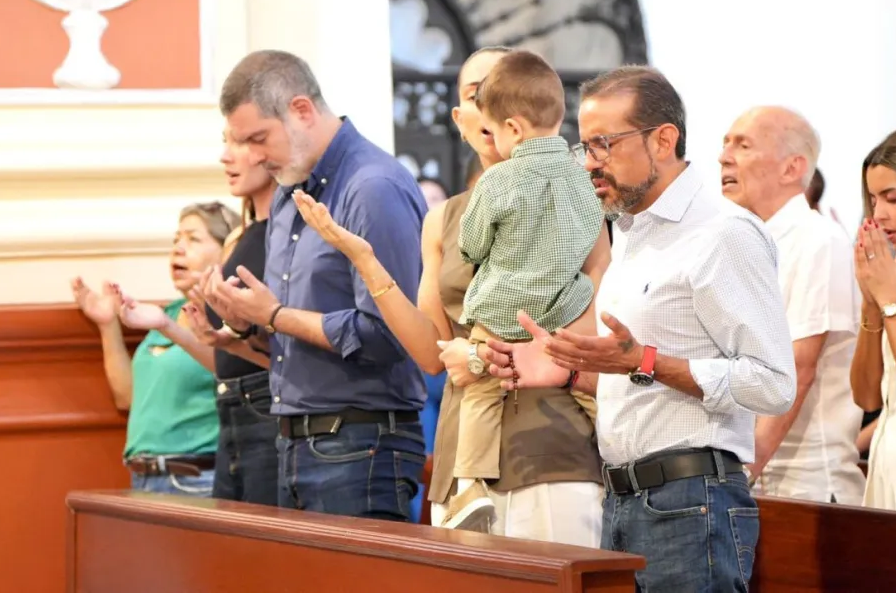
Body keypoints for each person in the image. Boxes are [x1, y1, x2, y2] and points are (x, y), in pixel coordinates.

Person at [484, 66, 796, 590]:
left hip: (692, 501)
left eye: (604, 144)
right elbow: (640, 381)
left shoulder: (723, 234)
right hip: (625, 498)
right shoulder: (631, 233)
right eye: (585, 147)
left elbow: (773, 384)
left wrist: (645, 361)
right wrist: (566, 372)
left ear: (663, 140)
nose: (590, 162)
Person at [292, 45, 610, 548]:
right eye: (478, 93)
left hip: (551, 448)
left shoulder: (573, 195)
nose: (495, 103)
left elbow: (592, 330)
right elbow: (430, 352)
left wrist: (481, 357)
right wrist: (365, 260)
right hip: (462, 464)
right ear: (462, 119)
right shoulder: (441, 218)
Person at [200, 50, 428, 522]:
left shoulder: (372, 187)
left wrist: (276, 316)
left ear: (301, 110)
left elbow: (390, 336)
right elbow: (292, 341)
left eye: (258, 138)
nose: (253, 156)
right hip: (292, 440)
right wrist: (246, 327)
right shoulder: (289, 194)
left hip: (361, 443)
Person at [447, 49, 602, 528]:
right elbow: (596, 232)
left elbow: (472, 244)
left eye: (493, 130)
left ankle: (469, 486)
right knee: (590, 395)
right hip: (564, 309)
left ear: (512, 128)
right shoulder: (584, 177)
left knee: (481, 393)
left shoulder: (497, 179)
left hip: (503, 311)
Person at [720, 106, 864, 505]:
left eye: (743, 145)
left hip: (806, 485)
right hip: (751, 476)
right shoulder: (744, 242)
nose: (723, 157)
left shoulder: (818, 240)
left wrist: (741, 475)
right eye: (726, 143)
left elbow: (799, 368)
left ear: (792, 168)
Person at [70, 202, 239, 496]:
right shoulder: (168, 314)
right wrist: (108, 325)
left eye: (193, 239)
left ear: (227, 252)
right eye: (176, 239)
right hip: (144, 478)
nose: (178, 249)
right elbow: (128, 398)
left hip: (198, 480)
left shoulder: (231, 319)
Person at [181, 138, 281, 505]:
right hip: (231, 407)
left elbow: (286, 356)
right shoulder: (241, 237)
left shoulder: (288, 235)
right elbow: (235, 351)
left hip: (268, 406)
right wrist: (219, 335)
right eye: (226, 142)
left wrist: (236, 334)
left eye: (241, 141)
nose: (225, 156)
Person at [850, 128, 896, 511]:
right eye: (873, 200)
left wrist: (888, 303)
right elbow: (868, 397)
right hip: (889, 457)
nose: (879, 214)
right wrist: (872, 308)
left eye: (892, 198)